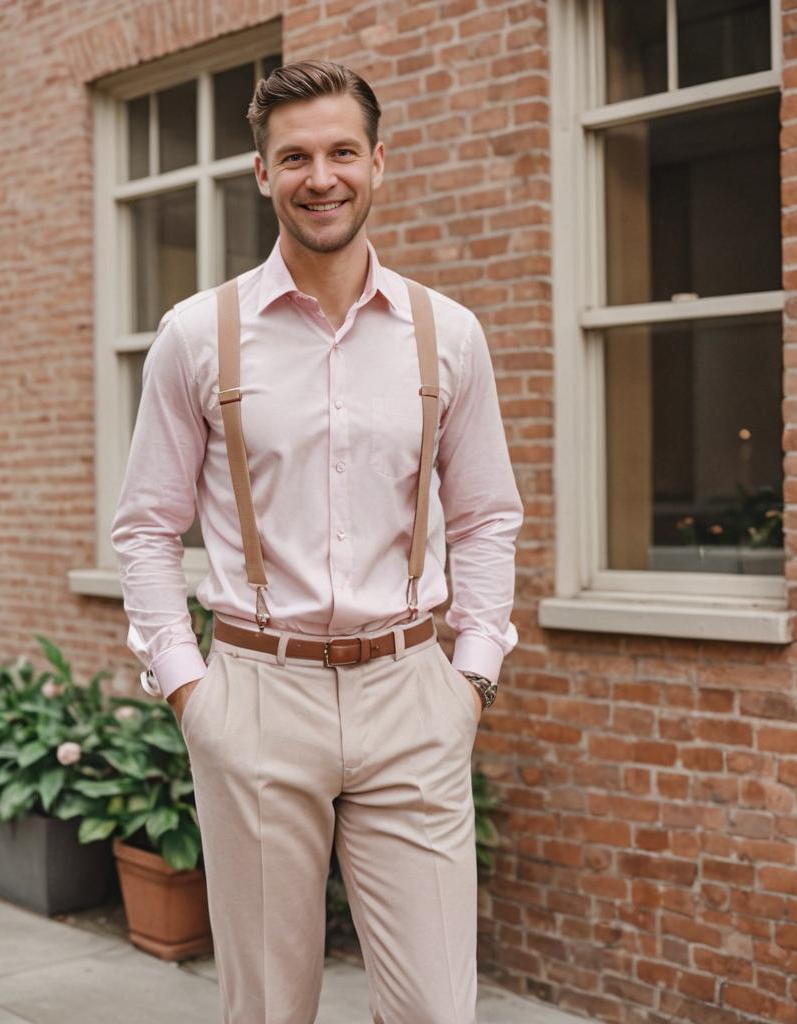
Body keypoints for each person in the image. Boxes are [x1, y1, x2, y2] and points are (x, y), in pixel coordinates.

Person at [110, 59, 523, 1024]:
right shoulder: (196, 336)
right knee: (267, 1011)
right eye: (294, 157)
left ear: (379, 163)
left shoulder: (447, 334)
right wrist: (188, 690)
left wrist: (471, 677)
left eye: (342, 151)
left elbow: (486, 516)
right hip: (258, 695)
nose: (321, 176)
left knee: (435, 1010)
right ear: (262, 174)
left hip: (412, 696)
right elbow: (145, 527)